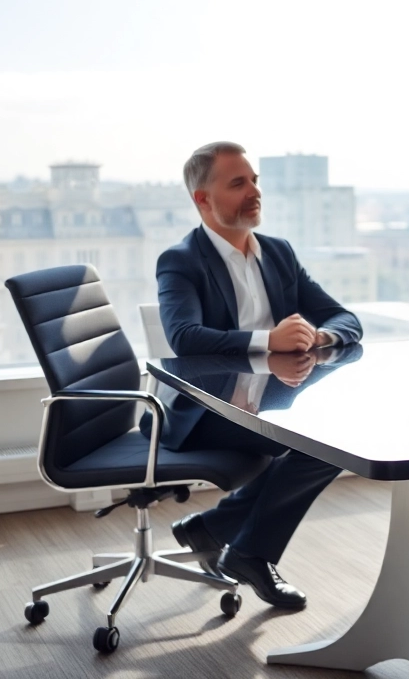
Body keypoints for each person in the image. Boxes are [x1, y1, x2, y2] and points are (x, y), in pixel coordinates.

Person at [154, 140, 363, 610]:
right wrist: (270, 340)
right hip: (207, 412)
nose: (253, 191)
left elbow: (345, 320)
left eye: (254, 181)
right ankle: (244, 548)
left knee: (336, 442)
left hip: (269, 402)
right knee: (322, 449)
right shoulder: (182, 260)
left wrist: (317, 337)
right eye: (237, 183)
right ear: (202, 200)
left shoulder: (278, 253)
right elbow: (184, 337)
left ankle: (226, 534)